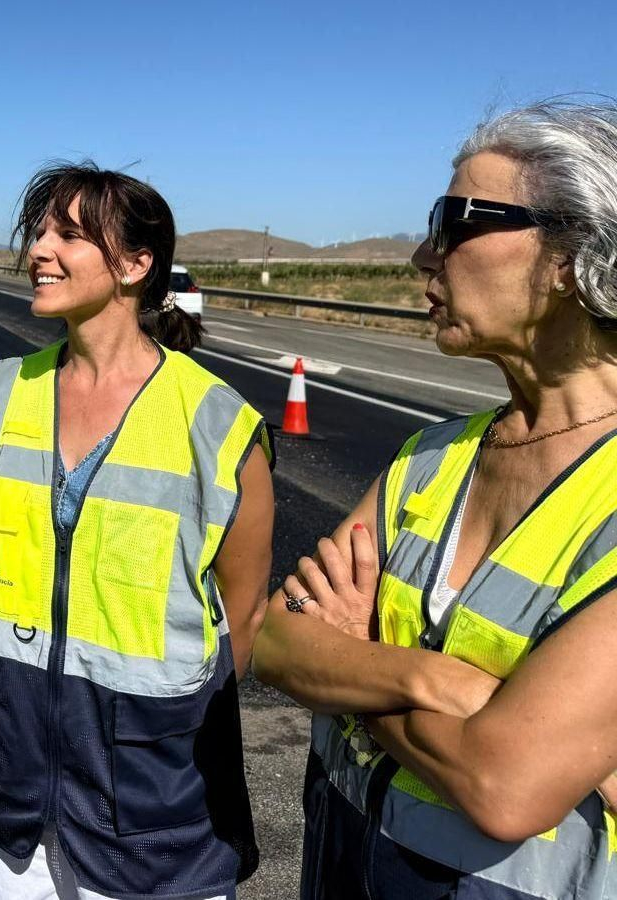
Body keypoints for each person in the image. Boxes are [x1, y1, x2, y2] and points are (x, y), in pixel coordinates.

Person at [253, 99, 617, 899]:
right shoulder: (430, 455)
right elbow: (275, 642)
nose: (425, 253)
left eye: (455, 223)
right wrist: (436, 682)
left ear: (571, 255)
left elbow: (506, 785)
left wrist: (353, 660)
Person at [0, 162, 274, 899]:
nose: (38, 249)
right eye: (38, 231)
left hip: (157, 819)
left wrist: (158, 729)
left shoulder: (216, 423)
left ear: (135, 264)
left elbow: (243, 617)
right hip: (14, 803)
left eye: (67, 234)